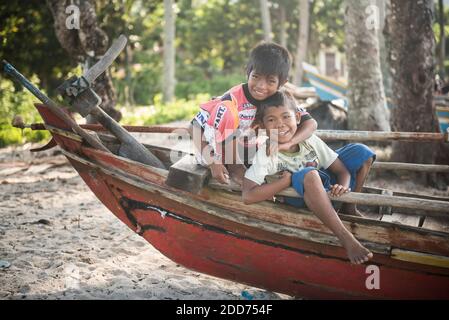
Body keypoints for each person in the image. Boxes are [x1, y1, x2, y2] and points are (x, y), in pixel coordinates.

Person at [242, 91, 375, 264]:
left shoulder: (309, 140)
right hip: (301, 197)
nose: (280, 125)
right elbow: (248, 196)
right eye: (271, 120)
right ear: (263, 127)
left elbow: (342, 171)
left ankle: (349, 207)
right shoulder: (267, 153)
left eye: (285, 117)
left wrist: (343, 187)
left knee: (361, 151)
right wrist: (285, 181)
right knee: (309, 173)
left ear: (297, 117)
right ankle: (346, 238)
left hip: (327, 189)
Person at [188, 42, 317, 185]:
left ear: (282, 83)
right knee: (227, 111)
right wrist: (212, 162)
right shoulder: (232, 99)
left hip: (246, 151)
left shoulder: (278, 100)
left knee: (286, 120)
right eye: (256, 77)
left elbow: (310, 123)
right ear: (247, 72)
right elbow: (193, 127)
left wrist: (289, 143)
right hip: (213, 152)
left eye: (270, 81)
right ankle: (235, 168)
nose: (261, 86)